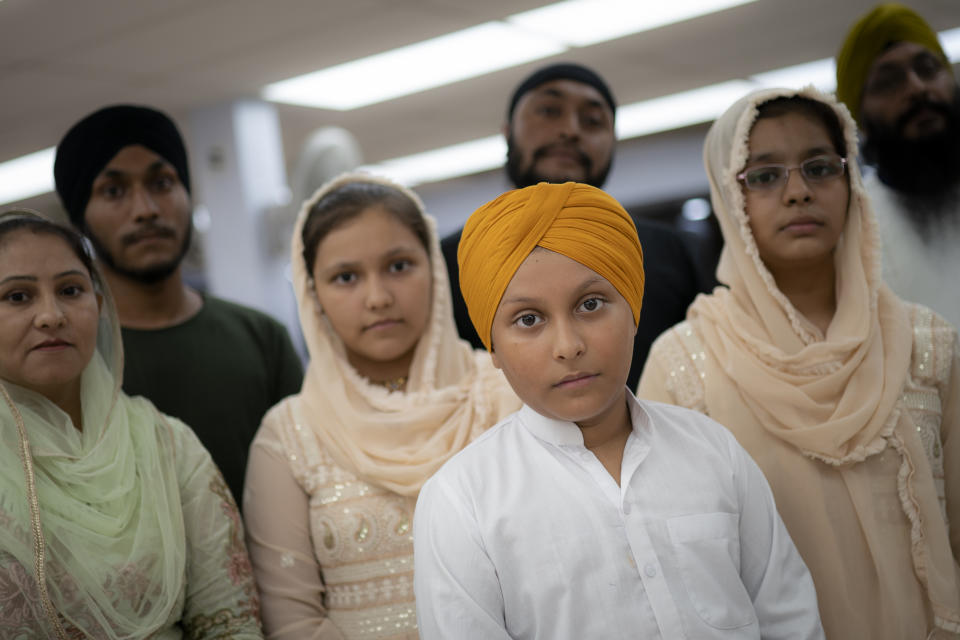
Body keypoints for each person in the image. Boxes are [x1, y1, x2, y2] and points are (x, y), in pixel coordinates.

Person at [415, 182, 823, 639]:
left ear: (633, 311)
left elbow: (789, 618)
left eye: (591, 305)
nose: (569, 346)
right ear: (492, 347)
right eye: (528, 319)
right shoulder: (462, 500)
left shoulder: (713, 451)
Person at [638, 86, 960, 637]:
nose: (797, 192)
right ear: (728, 194)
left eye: (820, 168)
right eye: (764, 175)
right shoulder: (685, 365)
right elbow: (674, 571)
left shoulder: (926, 342)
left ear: (851, 181)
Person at [242, 173, 519, 639]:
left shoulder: (505, 391)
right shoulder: (289, 435)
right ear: (313, 294)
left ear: (432, 267)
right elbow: (294, 623)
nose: (378, 298)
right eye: (346, 277)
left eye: (399, 266)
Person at [0, 210, 262, 638]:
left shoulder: (168, 446)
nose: (51, 315)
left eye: (70, 290)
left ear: (98, 306)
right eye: (17, 297)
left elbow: (231, 620)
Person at [53, 104, 304, 503]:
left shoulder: (260, 337)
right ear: (79, 219)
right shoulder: (63, 357)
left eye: (163, 183)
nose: (146, 210)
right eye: (114, 191)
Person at [440, 62, 705, 388]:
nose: (570, 130)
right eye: (549, 111)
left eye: (592, 121)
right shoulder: (449, 262)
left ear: (613, 140)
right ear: (508, 132)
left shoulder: (677, 253)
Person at [836, 3, 960, 329]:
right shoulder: (851, 232)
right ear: (859, 115)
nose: (917, 88)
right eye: (889, 82)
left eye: (928, 68)